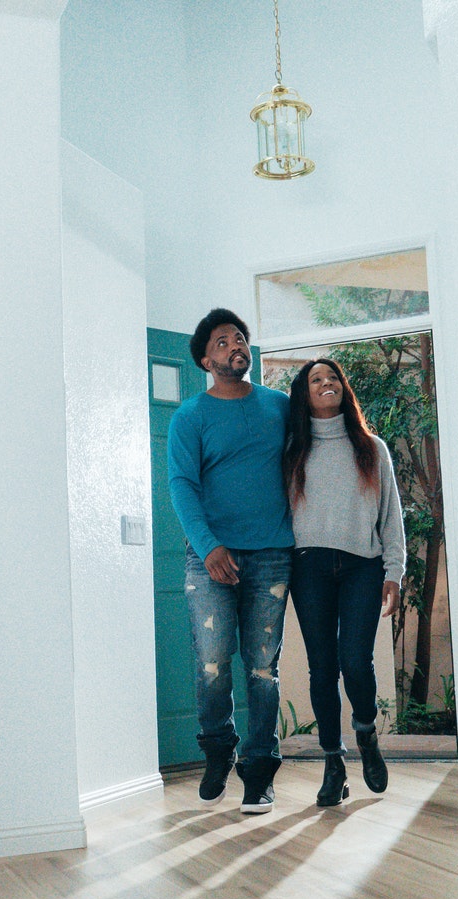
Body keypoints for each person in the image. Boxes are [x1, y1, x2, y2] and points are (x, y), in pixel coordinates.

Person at [168, 308, 293, 814]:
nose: (234, 346)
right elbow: (182, 485)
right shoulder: (190, 416)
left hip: (271, 558)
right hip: (209, 559)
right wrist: (209, 546)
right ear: (206, 358)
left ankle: (259, 771)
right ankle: (219, 752)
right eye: (222, 342)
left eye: (239, 338)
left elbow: (318, 448)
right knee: (213, 664)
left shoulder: (280, 406)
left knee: (263, 668)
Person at [283, 358, 406, 806]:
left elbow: (391, 517)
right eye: (316, 379)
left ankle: (365, 733)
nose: (326, 383)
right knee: (322, 668)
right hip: (309, 566)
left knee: (355, 662)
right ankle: (333, 763)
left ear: (343, 388)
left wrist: (394, 571)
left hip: (362, 567)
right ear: (305, 393)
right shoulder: (293, 449)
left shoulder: (372, 448)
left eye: (333, 377)